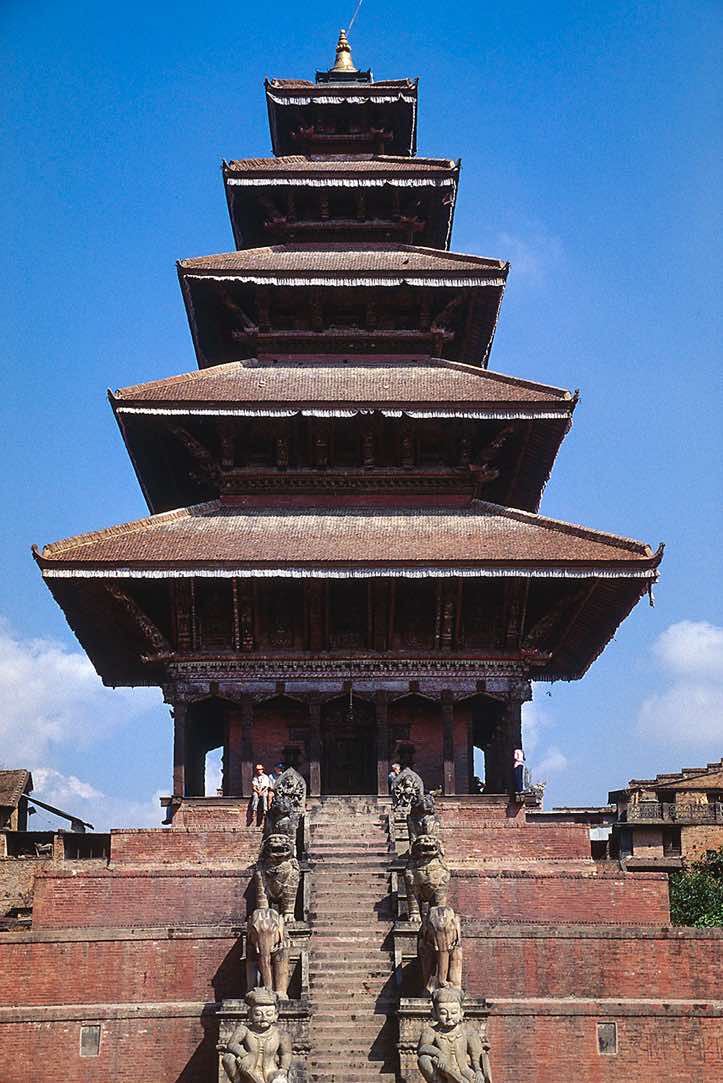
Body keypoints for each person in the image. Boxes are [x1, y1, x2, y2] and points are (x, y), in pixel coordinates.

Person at [417, 987, 492, 1083]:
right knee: (424, 1059)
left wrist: (478, 1071)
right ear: (434, 1013)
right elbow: (422, 1048)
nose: (449, 1017)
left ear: (461, 1013)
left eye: (454, 1012)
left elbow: (477, 1056)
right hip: (443, 1071)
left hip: (464, 1071)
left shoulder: (468, 1032)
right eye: (443, 1013)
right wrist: (439, 1054)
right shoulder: (431, 1031)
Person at [218, 987, 292, 1083]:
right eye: (258, 1014)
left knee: (280, 1081)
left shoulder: (280, 1034)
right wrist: (244, 1055)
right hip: (248, 1070)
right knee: (228, 1058)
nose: (263, 1018)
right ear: (250, 1015)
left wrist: (283, 1069)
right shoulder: (245, 1030)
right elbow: (231, 1044)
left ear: (275, 1015)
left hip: (270, 1072)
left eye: (269, 1014)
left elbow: (286, 1053)